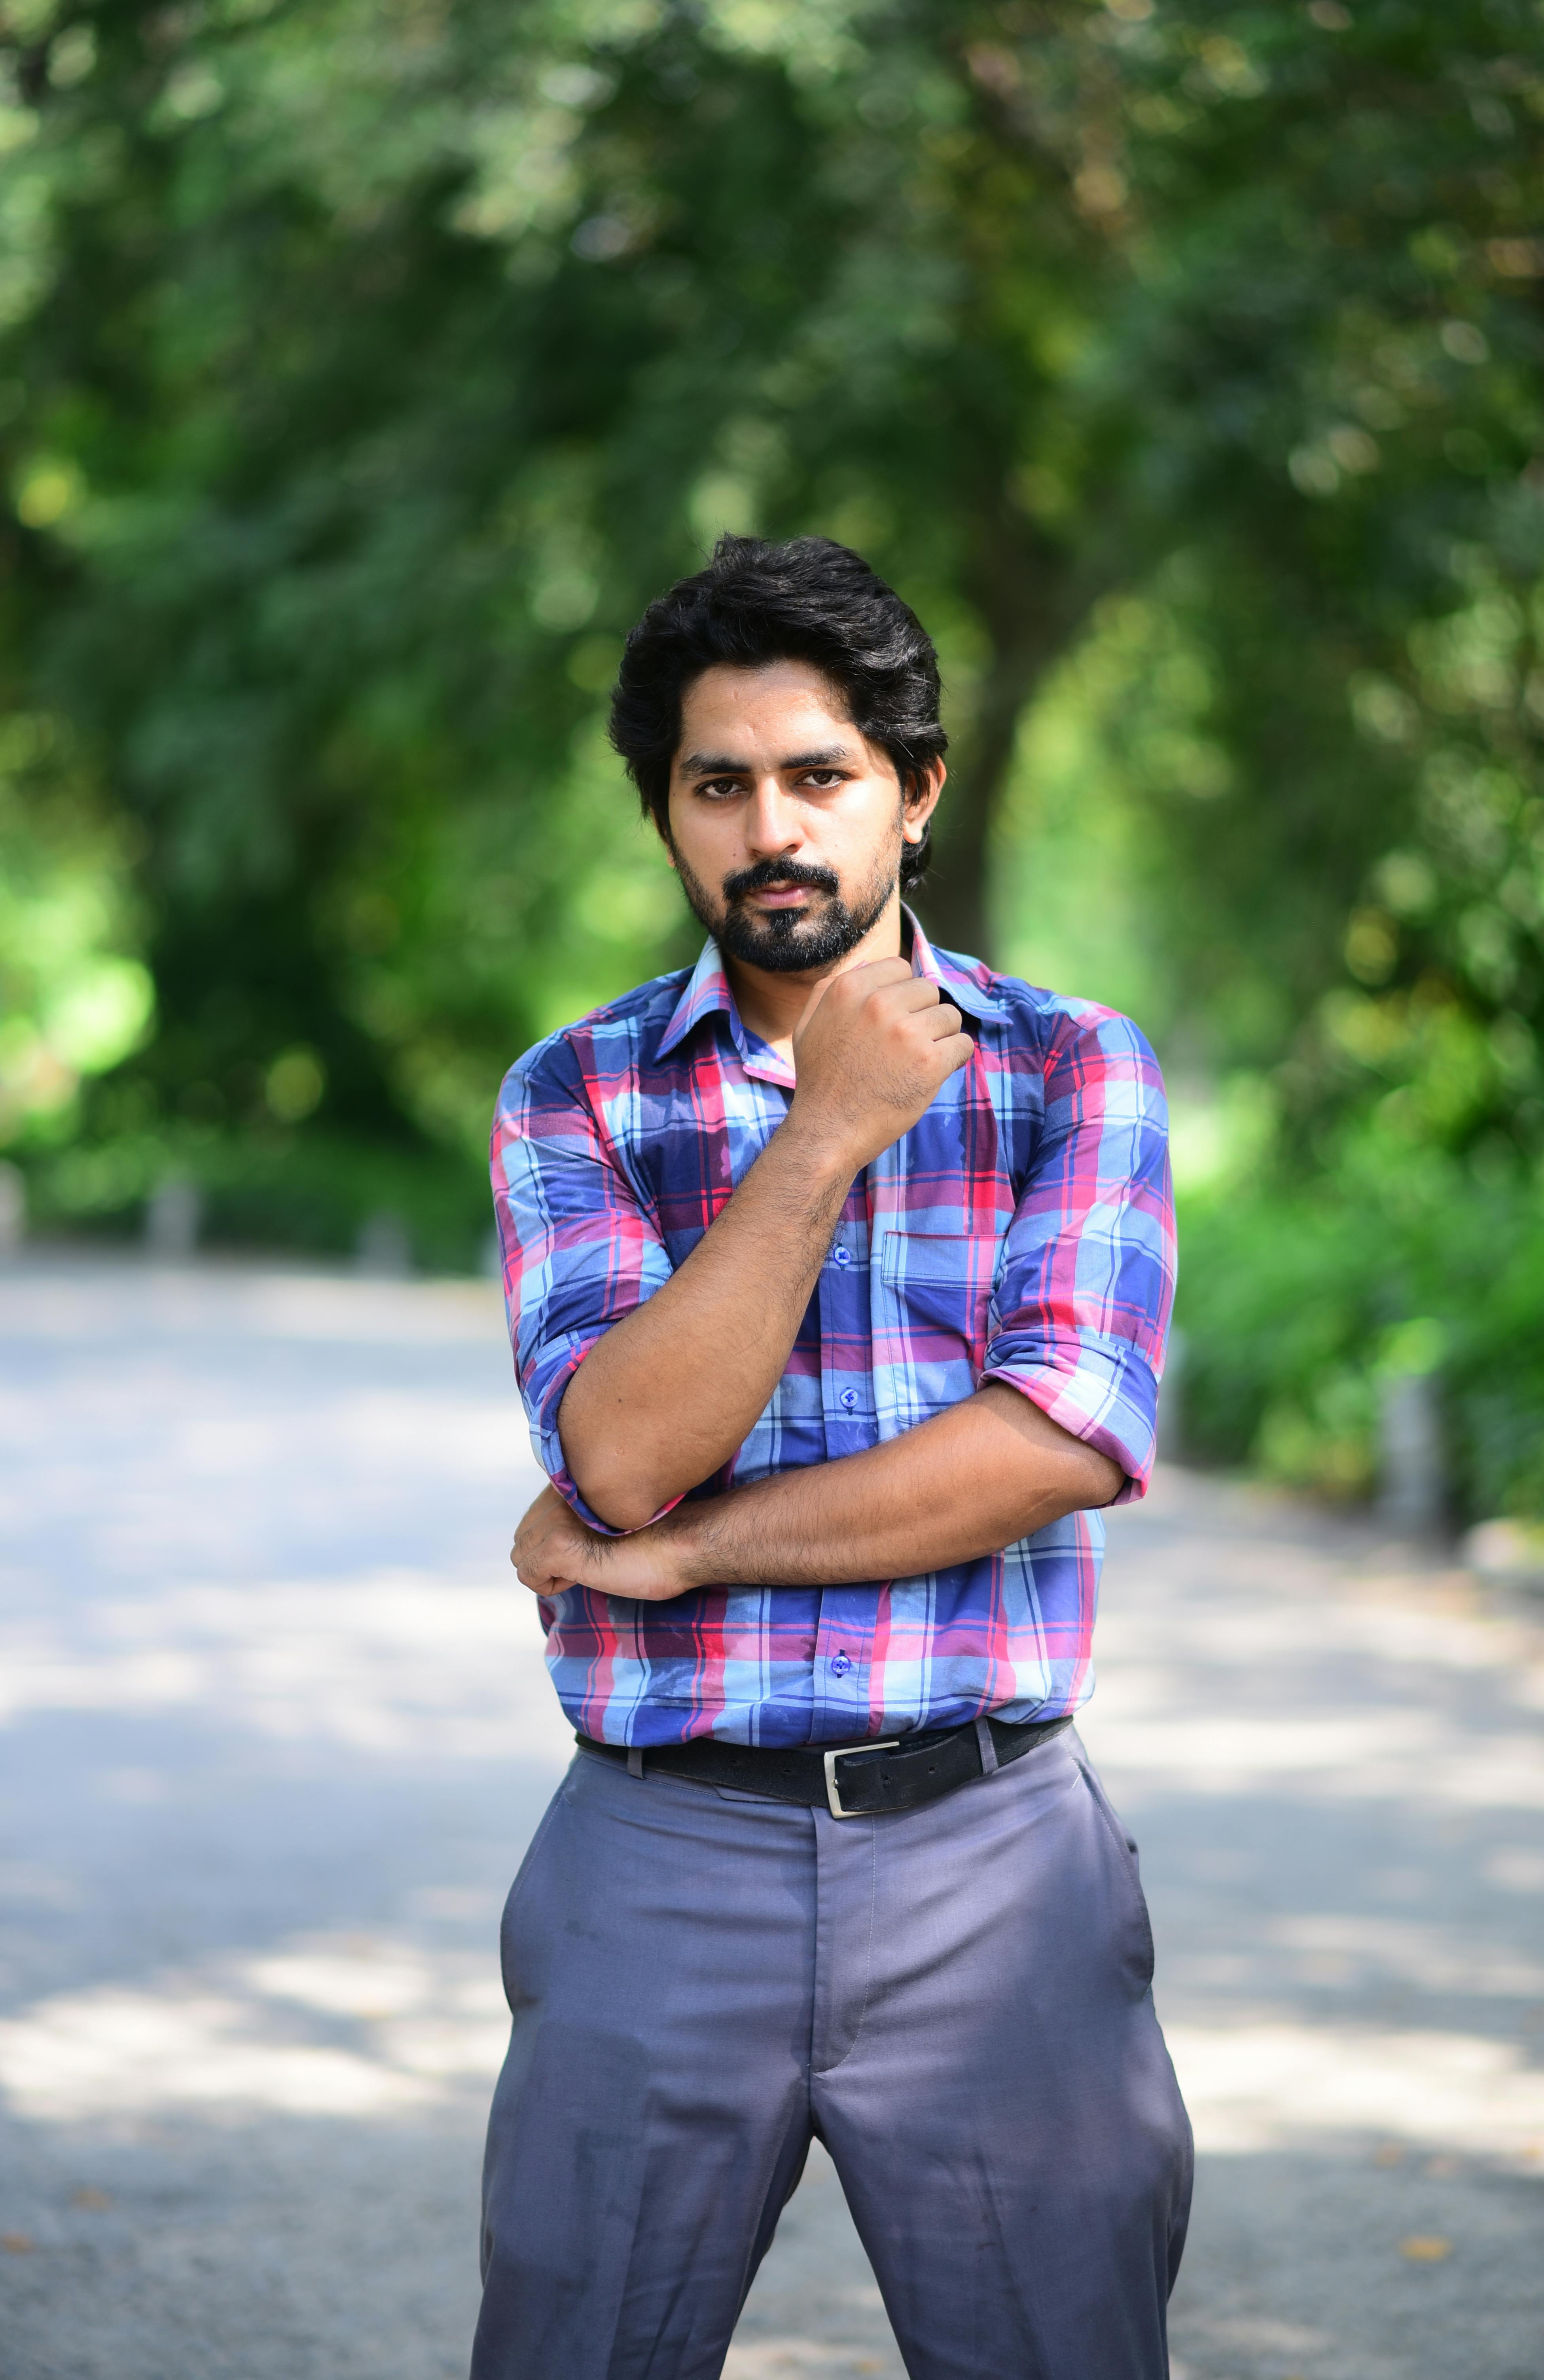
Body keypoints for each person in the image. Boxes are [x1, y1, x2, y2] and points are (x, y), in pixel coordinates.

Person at [475, 534, 1192, 2380]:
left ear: (913, 793)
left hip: (990, 1859)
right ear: (666, 815)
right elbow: (623, 1456)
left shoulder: (1068, 1073)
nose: (768, 827)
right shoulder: (578, 1096)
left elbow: (1045, 1450)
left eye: (819, 775)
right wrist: (827, 1133)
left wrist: (696, 1554)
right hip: (657, 1848)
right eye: (717, 784)